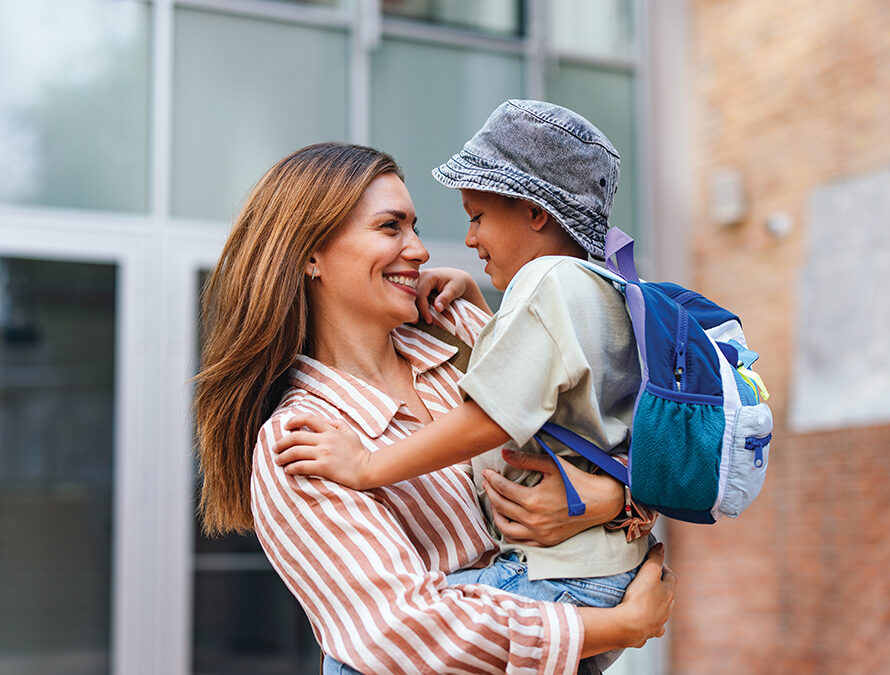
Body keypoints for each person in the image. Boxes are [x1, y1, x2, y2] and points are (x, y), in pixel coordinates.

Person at [193, 142, 674, 675]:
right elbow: (399, 632)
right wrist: (619, 627)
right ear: (310, 254)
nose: (419, 250)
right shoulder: (302, 441)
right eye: (390, 227)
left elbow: (606, 434)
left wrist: (615, 499)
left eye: (415, 227)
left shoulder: (462, 337)